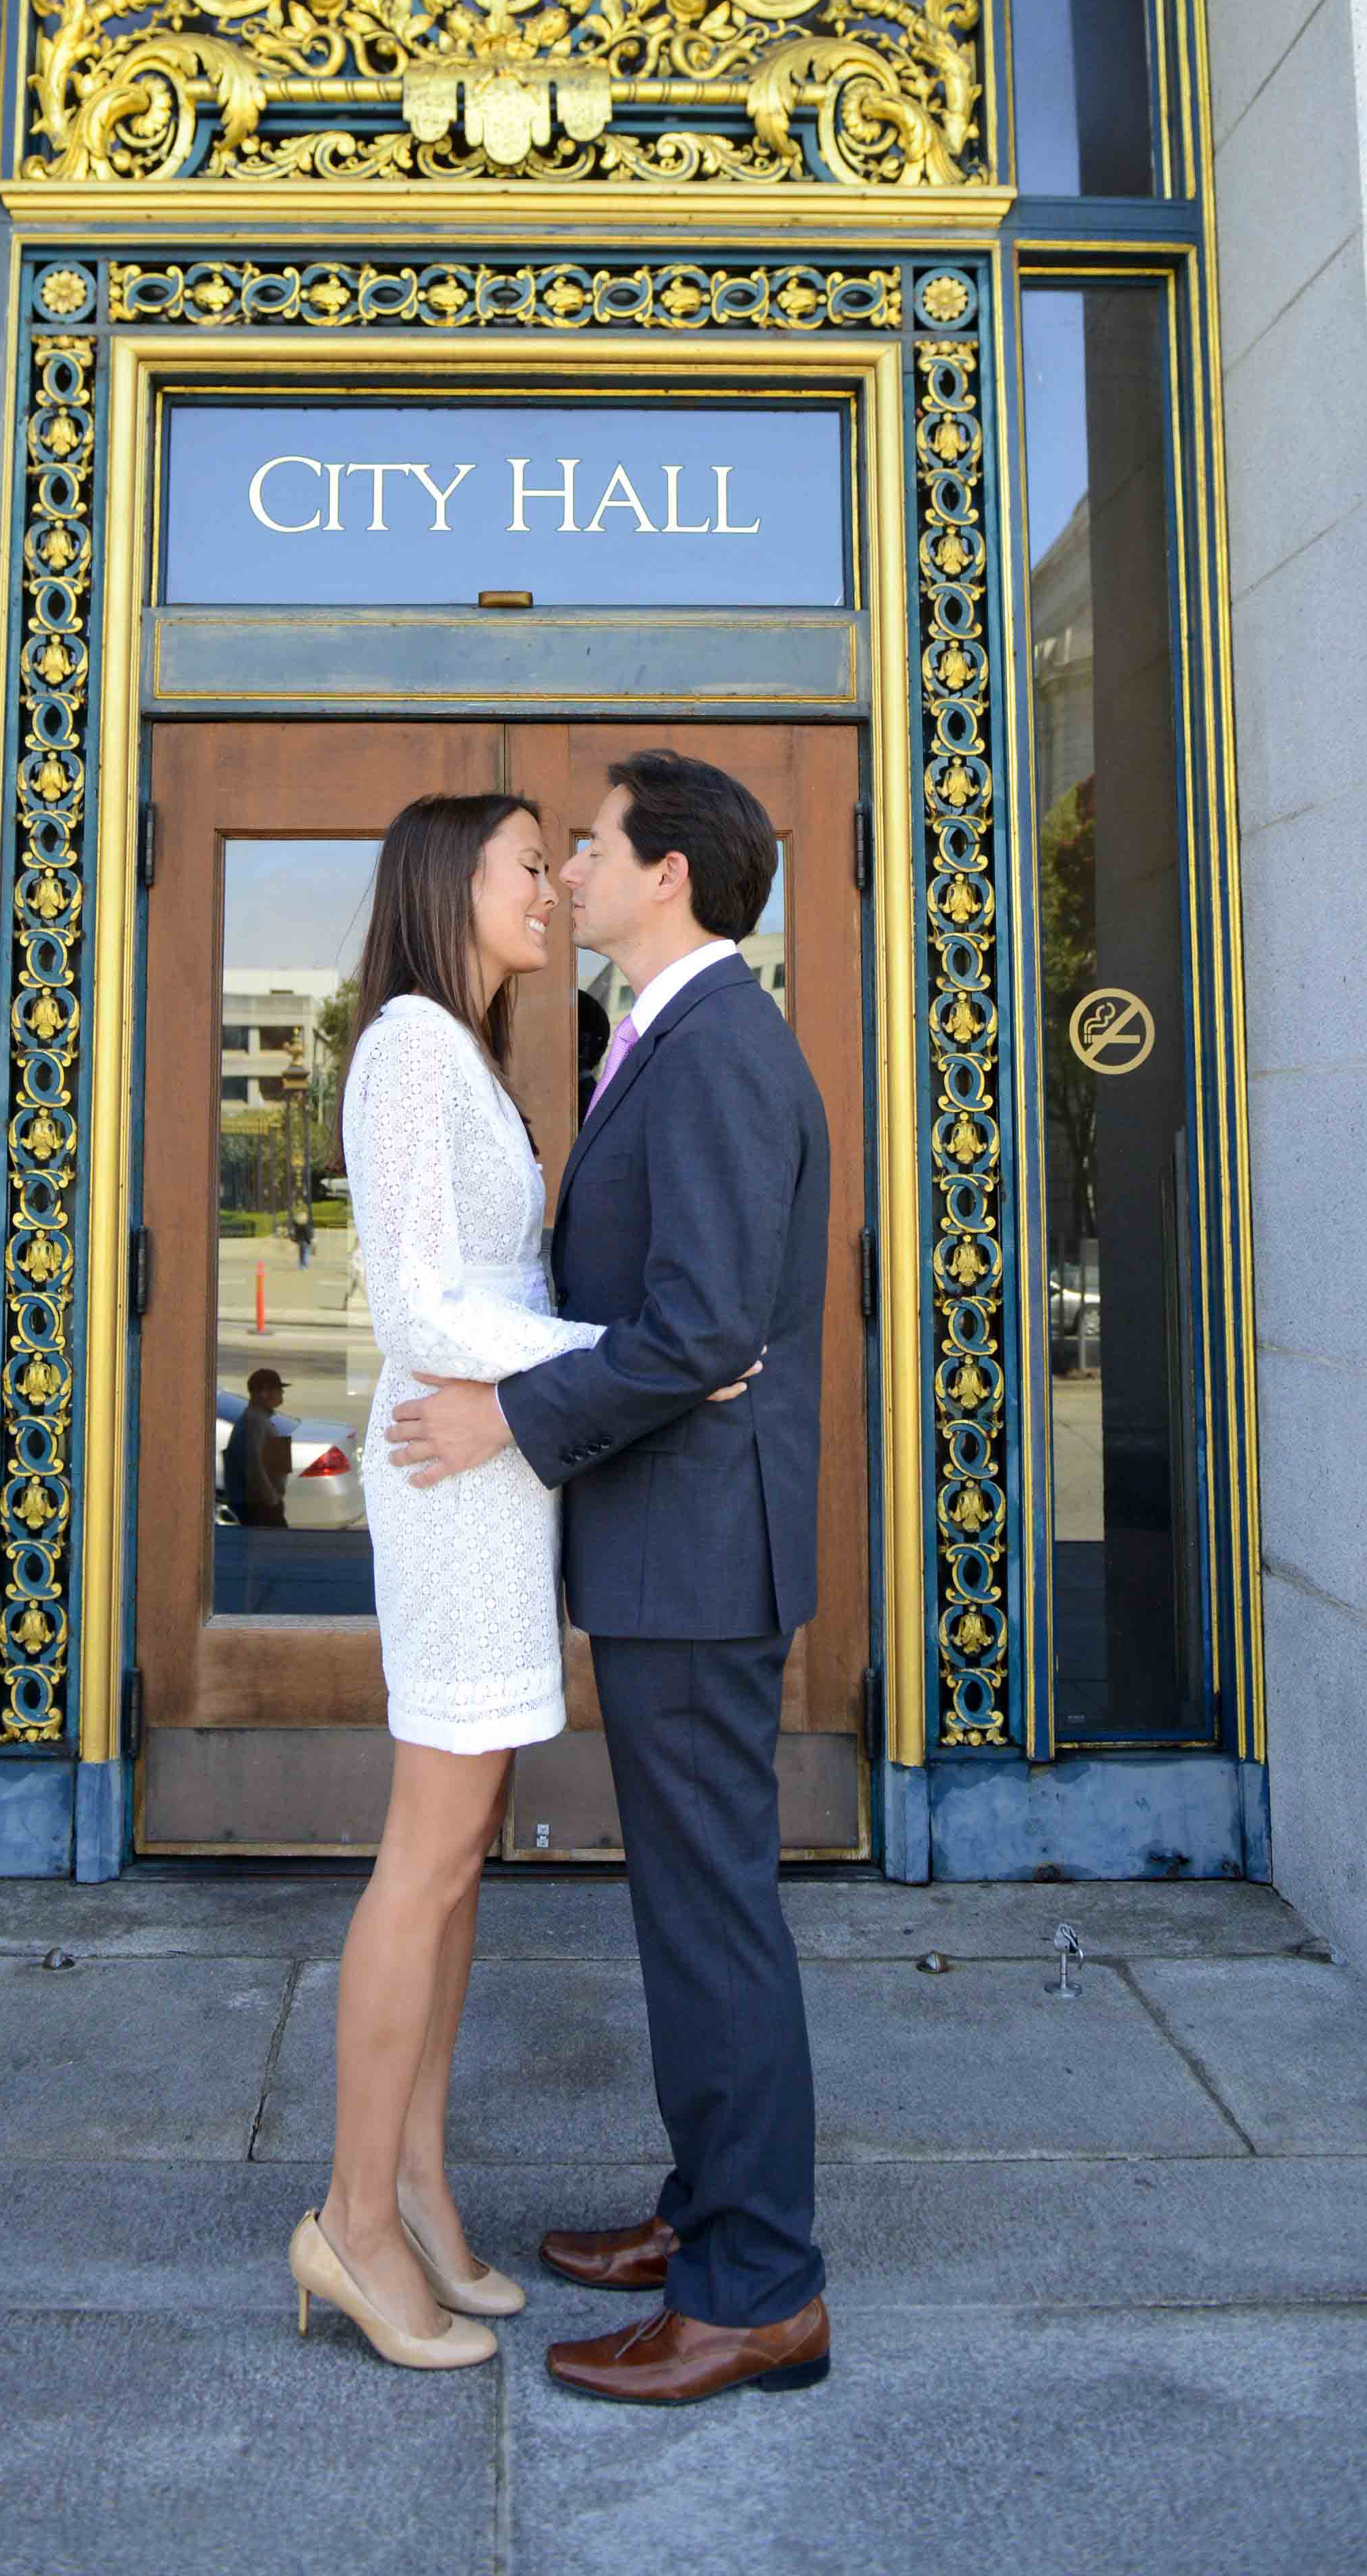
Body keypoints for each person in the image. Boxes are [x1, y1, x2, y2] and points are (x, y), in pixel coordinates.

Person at [288, 789, 754, 2376]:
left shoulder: (466, 1048)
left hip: (498, 1477)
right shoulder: (410, 1041)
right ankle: (349, 2221)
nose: (548, 884)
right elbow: (421, 1307)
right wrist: (626, 1366)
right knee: (421, 1857)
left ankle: (419, 2189)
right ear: (443, 881)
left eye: (562, 857)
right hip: (451, 1470)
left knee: (461, 1847)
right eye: (518, 861)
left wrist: (576, 1375)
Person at [387, 750, 832, 2407]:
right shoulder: (667, 1033)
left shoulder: (712, 1045)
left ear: (672, 877)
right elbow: (675, 1325)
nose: (567, 868)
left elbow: (706, 1326)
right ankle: (705, 2215)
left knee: (709, 1919)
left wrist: (509, 1408)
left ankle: (754, 2290)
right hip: (673, 1543)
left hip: (698, 1560)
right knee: (689, 1910)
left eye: (590, 846)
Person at [220, 1367, 292, 1528]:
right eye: (278, 1389)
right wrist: (271, 1500)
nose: (282, 1394)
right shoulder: (255, 1421)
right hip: (260, 1507)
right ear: (264, 1392)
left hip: (261, 1505)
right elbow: (254, 1464)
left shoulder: (258, 1418)